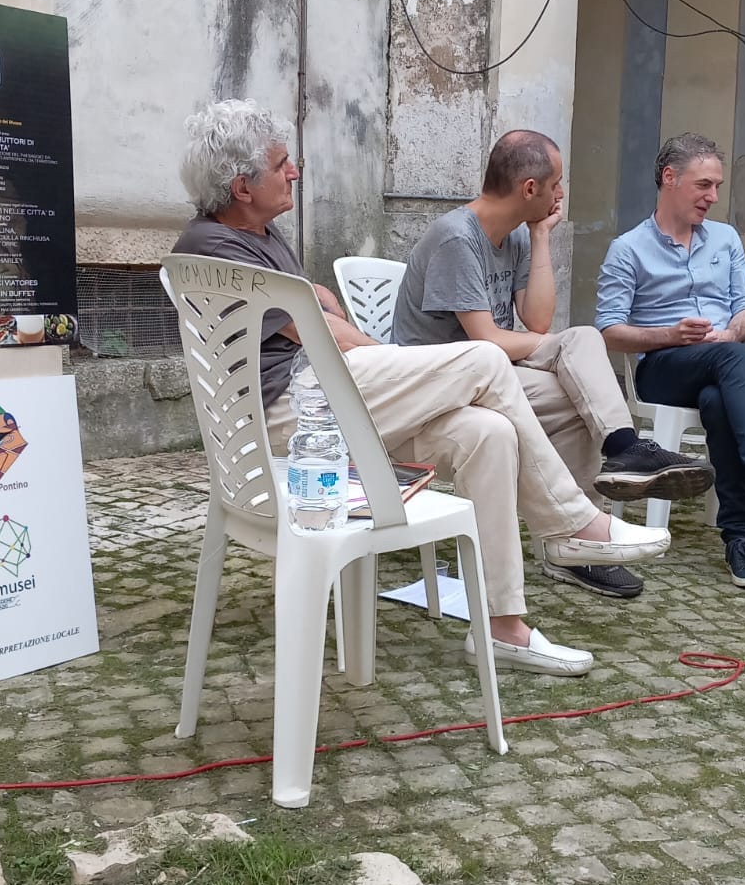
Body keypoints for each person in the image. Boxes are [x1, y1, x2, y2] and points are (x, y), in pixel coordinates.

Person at [171, 100, 672, 677]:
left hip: (324, 399)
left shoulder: (256, 234)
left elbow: (317, 309)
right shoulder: (213, 249)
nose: (295, 171)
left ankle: (503, 627)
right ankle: (573, 524)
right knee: (484, 359)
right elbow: (317, 328)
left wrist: (328, 313)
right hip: (291, 417)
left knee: (488, 433)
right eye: (282, 163)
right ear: (242, 187)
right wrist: (381, 350)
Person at [391, 129, 713, 601]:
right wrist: (548, 347)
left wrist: (540, 236)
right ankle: (585, 527)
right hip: (442, 384)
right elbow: (486, 340)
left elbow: (537, 319)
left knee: (580, 351)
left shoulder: (516, 236)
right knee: (575, 373)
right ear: (529, 188)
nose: (561, 192)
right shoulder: (456, 238)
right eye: (556, 182)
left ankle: (613, 472)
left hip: (494, 371)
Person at [596, 133, 745, 589]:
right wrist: (670, 335)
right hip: (663, 368)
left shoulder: (725, 238)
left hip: (723, 363)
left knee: (720, 396)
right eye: (703, 185)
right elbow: (609, 331)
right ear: (669, 178)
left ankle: (740, 540)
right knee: (731, 360)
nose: (713, 196)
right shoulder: (629, 248)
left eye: (717, 185)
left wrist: (732, 332)